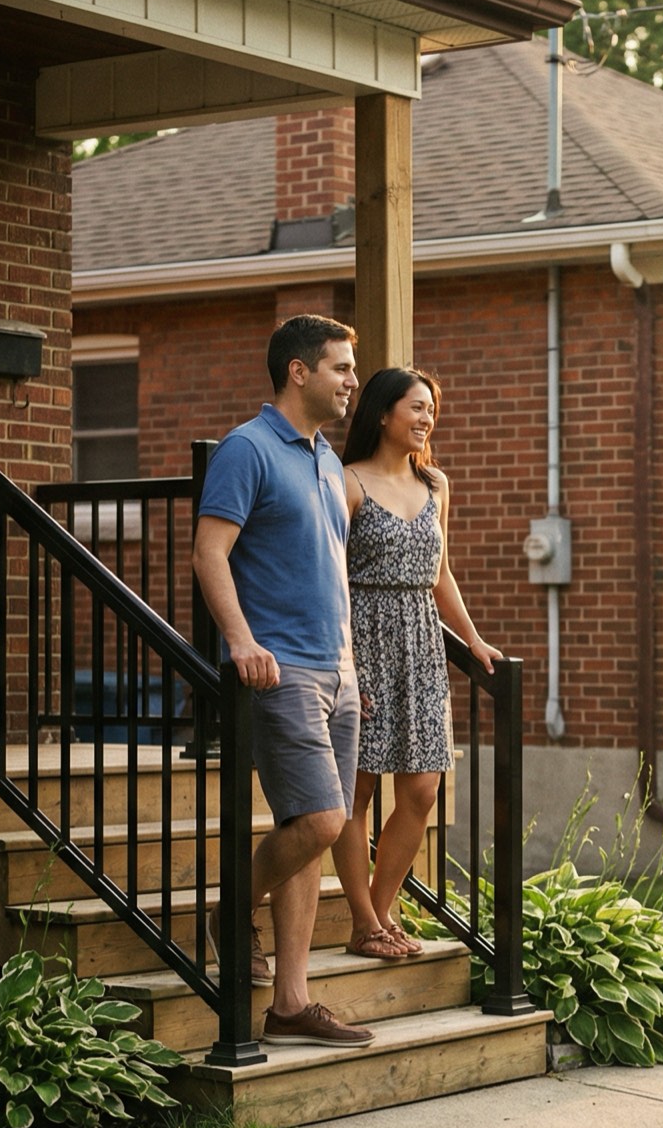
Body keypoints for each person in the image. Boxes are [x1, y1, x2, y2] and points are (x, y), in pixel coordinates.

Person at [191, 313, 374, 1048]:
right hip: (283, 670)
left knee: (308, 827)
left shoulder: (327, 459)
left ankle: (291, 1003)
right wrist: (241, 640)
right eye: (341, 367)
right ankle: (229, 910)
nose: (353, 381)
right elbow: (210, 552)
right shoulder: (248, 449)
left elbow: (328, 568)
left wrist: (353, 662)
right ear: (299, 371)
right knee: (321, 821)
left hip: (338, 670)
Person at [328, 367, 499, 961]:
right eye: (416, 407)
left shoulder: (435, 484)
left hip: (422, 646)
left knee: (422, 790)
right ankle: (364, 922)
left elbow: (440, 572)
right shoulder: (348, 481)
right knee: (357, 792)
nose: (427, 418)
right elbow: (331, 579)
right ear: (383, 413)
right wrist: (345, 664)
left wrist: (473, 640)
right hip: (363, 639)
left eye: (431, 408)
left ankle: (380, 912)